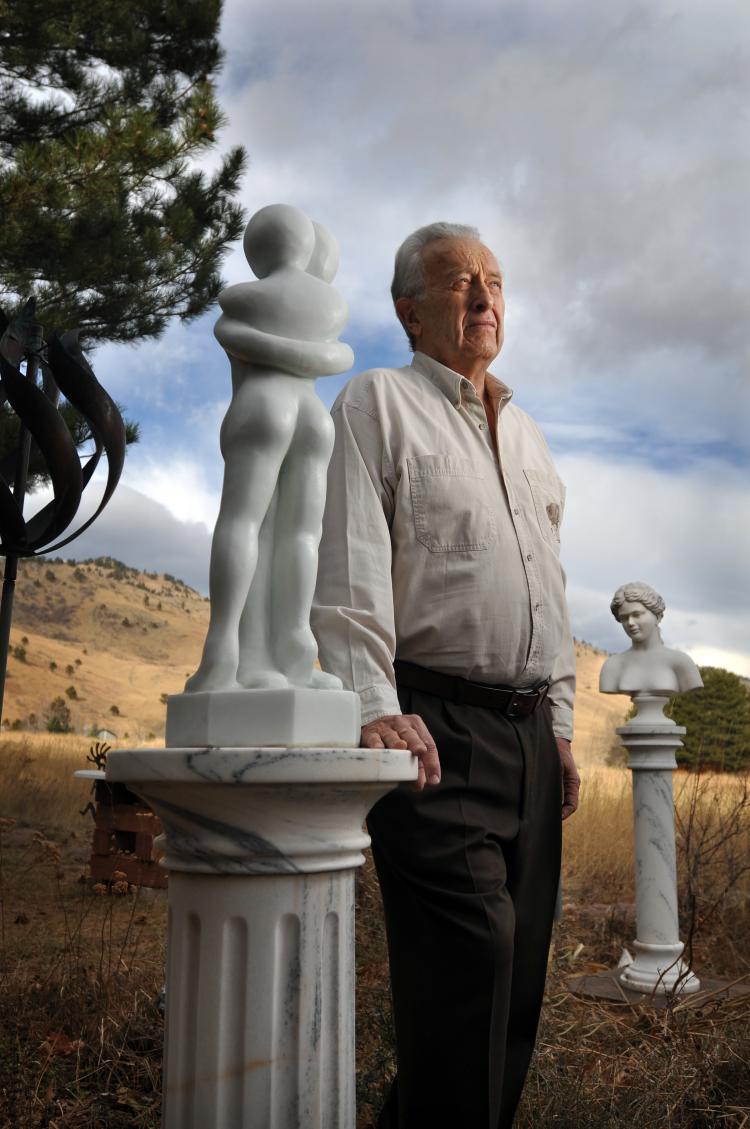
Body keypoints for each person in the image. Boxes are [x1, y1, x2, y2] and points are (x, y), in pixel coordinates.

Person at [312, 221, 579, 1128]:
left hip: (531, 733)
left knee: (517, 990)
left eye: (494, 280)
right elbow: (347, 566)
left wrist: (566, 723)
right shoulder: (377, 404)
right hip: (433, 728)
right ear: (408, 311)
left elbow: (551, 585)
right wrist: (373, 706)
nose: (483, 295)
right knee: (474, 961)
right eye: (458, 280)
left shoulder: (532, 436)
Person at [186, 204, 352, 693]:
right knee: (300, 536)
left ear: (255, 250)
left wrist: (273, 349)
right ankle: (293, 655)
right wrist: (308, 357)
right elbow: (339, 355)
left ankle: (227, 655)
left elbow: (231, 334)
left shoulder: (241, 299)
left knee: (245, 525)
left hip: (262, 408)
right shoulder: (328, 305)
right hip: (311, 416)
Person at [600, 581, 703, 694]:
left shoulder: (682, 662)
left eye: (637, 615)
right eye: (624, 618)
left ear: (658, 617)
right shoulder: (612, 666)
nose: (630, 622)